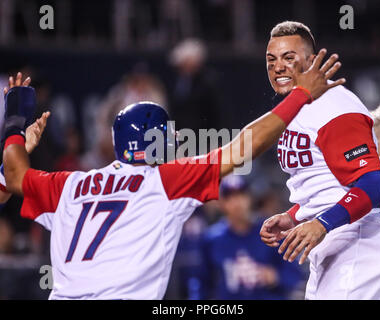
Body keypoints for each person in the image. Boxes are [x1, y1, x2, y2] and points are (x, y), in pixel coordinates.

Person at [1, 57, 343, 300]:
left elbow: (13, 174)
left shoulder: (69, 184)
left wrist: (15, 122)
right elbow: (244, 147)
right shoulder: (164, 181)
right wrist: (300, 95)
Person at [260, 21, 380, 299]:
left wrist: (322, 223)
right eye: (271, 59)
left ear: (311, 61)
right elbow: (328, 182)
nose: (278, 67)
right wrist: (294, 215)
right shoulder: (299, 107)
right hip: (342, 242)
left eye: (289, 58)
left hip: (363, 243)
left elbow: (374, 184)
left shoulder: (333, 105)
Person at [193, 175, 302, 300]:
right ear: (221, 203)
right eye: (230, 197)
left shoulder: (271, 231)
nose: (237, 202)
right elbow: (201, 285)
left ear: (249, 198)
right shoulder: (211, 239)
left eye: (241, 195)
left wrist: (275, 276)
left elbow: (294, 275)